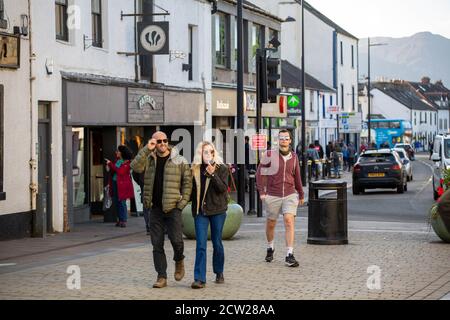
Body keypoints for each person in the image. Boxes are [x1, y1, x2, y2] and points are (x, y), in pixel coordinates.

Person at [131, 131, 192, 289]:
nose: (163, 143)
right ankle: (161, 276)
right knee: (156, 244)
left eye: (165, 140)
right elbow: (135, 167)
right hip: (155, 209)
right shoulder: (149, 159)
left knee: (177, 241)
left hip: (173, 208)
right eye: (159, 141)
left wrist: (182, 202)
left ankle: (179, 260)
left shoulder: (180, 160)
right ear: (154, 143)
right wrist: (146, 149)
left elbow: (187, 184)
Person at [256, 129, 304, 268]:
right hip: (273, 194)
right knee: (271, 223)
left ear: (290, 141)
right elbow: (260, 174)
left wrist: (300, 193)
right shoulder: (269, 155)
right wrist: (262, 191)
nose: (284, 140)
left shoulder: (294, 157)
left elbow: (297, 177)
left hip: (289, 194)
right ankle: (270, 247)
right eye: (281, 138)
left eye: (286, 138)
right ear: (278, 140)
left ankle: (289, 254)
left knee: (289, 221)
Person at [190, 141, 229, 289]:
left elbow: (222, 189)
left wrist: (213, 174)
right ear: (200, 154)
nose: (208, 154)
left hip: (218, 211)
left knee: (217, 242)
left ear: (214, 153)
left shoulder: (221, 168)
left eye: (211, 152)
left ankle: (219, 272)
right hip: (201, 211)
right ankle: (199, 278)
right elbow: (190, 191)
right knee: (200, 244)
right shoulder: (195, 169)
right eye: (205, 152)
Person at [106, 145, 134, 228]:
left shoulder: (127, 162)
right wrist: (109, 167)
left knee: (122, 202)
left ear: (122, 153)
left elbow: (121, 171)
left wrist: (110, 164)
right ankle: (119, 219)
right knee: (116, 202)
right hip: (115, 183)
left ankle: (123, 220)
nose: (116, 152)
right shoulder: (118, 161)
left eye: (118, 151)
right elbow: (114, 170)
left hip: (123, 185)